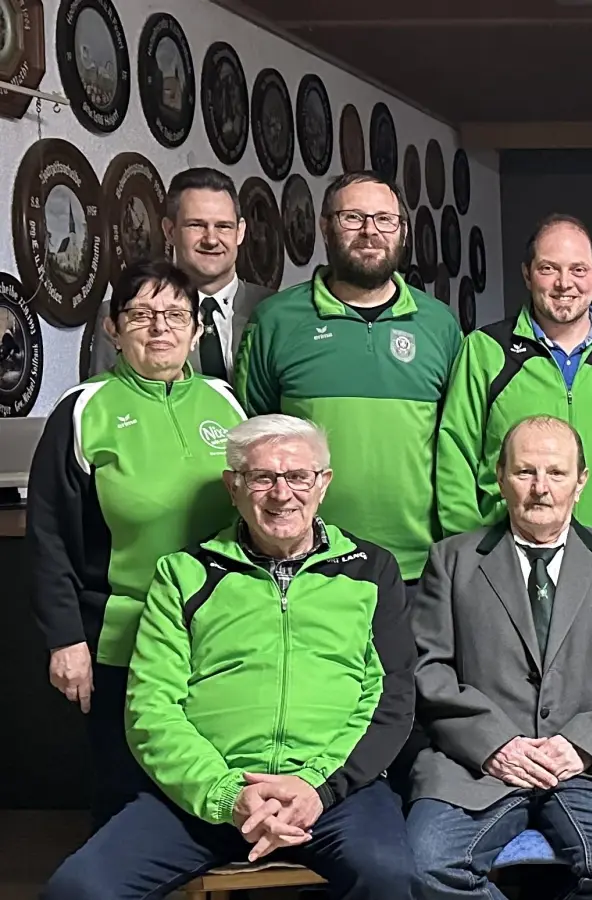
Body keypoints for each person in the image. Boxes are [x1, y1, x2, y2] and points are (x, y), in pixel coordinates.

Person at [42, 415, 415, 899]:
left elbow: (390, 699)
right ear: (232, 486)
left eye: (298, 476)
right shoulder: (182, 573)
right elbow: (151, 708)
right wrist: (228, 794)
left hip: (336, 792)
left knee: (391, 877)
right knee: (78, 888)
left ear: (323, 484)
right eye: (262, 478)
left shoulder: (372, 569)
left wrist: (316, 787)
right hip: (206, 794)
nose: (282, 493)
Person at [409, 416, 592, 900]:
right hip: (476, 766)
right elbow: (429, 668)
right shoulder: (451, 561)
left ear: (581, 481)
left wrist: (581, 745)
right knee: (423, 869)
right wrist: (495, 743)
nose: (540, 488)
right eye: (524, 472)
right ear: (500, 477)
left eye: (556, 473)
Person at [28, 261, 245, 829]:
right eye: (142, 315)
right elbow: (48, 536)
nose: (160, 328)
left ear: (197, 330)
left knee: (216, 785)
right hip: (123, 638)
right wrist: (66, 639)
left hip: (220, 637)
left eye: (176, 315)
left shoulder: (226, 402)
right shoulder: (83, 410)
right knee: (128, 796)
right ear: (113, 329)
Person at [234, 172, 463, 592]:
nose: (370, 231)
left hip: (420, 564)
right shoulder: (276, 321)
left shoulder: (440, 324)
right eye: (352, 217)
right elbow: (251, 440)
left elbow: (460, 443)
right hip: (306, 560)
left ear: (402, 231)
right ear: (325, 226)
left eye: (385, 219)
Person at [436, 213, 592, 542]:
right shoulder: (485, 351)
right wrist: (472, 551)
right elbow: (455, 455)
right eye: (548, 268)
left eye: (578, 270)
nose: (564, 283)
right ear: (527, 274)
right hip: (506, 555)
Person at [89, 168, 272, 379]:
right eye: (196, 225)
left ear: (240, 232)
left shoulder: (275, 310)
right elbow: (105, 395)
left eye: (223, 226)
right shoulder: (124, 315)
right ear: (169, 231)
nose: (211, 240)